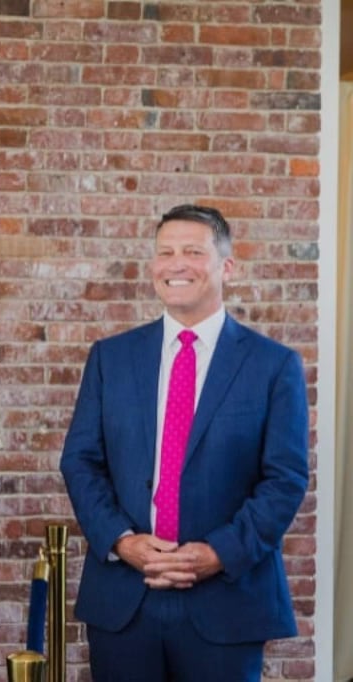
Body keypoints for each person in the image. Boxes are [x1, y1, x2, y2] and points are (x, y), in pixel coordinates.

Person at [59, 204, 309, 681]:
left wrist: (218, 554)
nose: (176, 264)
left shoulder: (274, 365)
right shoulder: (111, 358)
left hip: (226, 601)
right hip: (125, 599)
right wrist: (122, 541)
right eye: (165, 252)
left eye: (193, 252)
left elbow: (285, 479)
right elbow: (80, 461)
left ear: (226, 267)